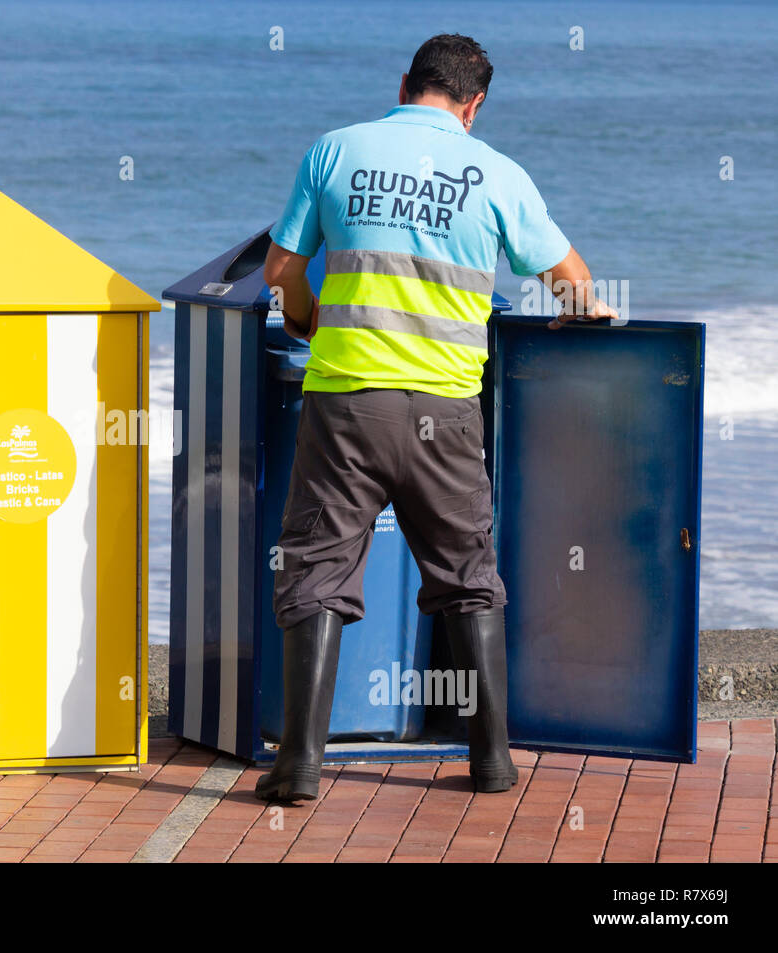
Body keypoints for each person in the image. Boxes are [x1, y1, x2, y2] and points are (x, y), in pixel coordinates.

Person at [255, 33, 617, 802]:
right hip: (446, 413)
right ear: (474, 104)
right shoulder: (498, 175)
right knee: (466, 579)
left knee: (317, 574)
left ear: (405, 83)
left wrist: (308, 317)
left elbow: (282, 270)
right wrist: (585, 310)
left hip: (346, 405)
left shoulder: (336, 150)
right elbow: (574, 284)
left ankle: (299, 766)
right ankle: (491, 760)